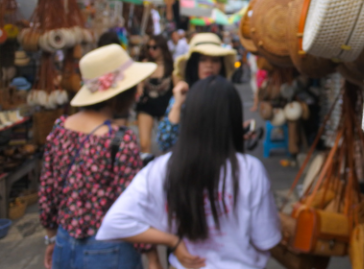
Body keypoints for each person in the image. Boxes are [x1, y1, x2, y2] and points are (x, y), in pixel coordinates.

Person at [97, 76, 281, 269]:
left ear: (189, 115)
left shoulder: (164, 167)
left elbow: (114, 222)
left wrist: (172, 241)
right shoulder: (250, 170)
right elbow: (266, 239)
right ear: (233, 118)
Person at [39, 44, 159, 269]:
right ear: (120, 94)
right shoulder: (120, 140)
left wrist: (52, 238)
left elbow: (48, 190)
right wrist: (151, 255)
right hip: (110, 249)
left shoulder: (60, 128)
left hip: (65, 243)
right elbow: (133, 206)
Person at [156, 33, 237, 152]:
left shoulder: (227, 95)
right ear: (194, 64)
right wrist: (178, 104)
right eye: (203, 60)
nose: (209, 65)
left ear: (221, 65)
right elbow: (165, 142)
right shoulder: (184, 95)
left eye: (215, 60)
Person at [136, 35, 174, 158]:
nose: (151, 50)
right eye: (148, 47)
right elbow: (139, 84)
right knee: (144, 143)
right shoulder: (145, 65)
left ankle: (164, 171)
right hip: (147, 105)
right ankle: (146, 167)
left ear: (162, 48)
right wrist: (139, 88)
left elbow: (177, 87)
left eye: (154, 47)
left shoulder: (170, 66)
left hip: (165, 105)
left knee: (166, 143)